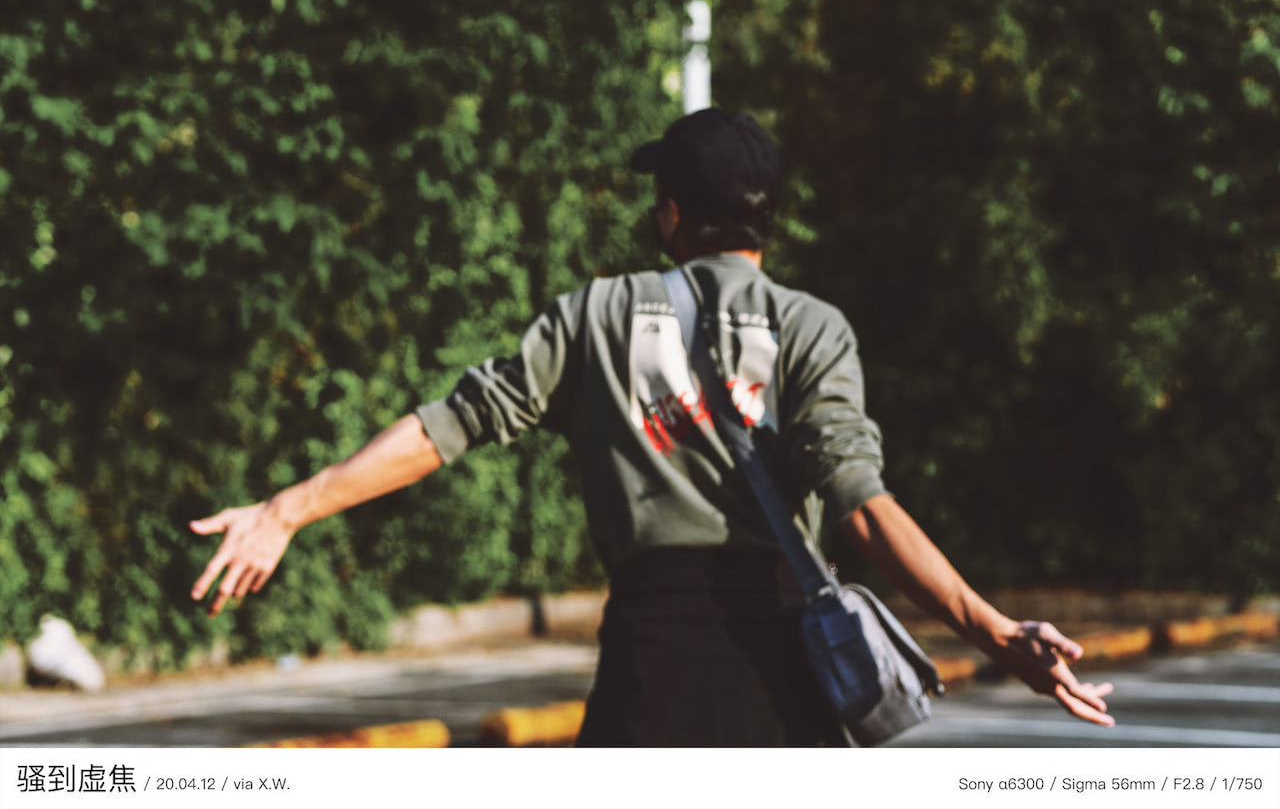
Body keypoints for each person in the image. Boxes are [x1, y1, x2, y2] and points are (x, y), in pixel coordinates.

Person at [190, 107, 1114, 745]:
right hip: (786, 669)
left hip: (652, 658)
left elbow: (451, 426)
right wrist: (996, 633)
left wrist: (286, 509)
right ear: (766, 220)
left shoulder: (596, 316)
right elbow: (861, 507)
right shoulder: (812, 328)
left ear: (670, 213)